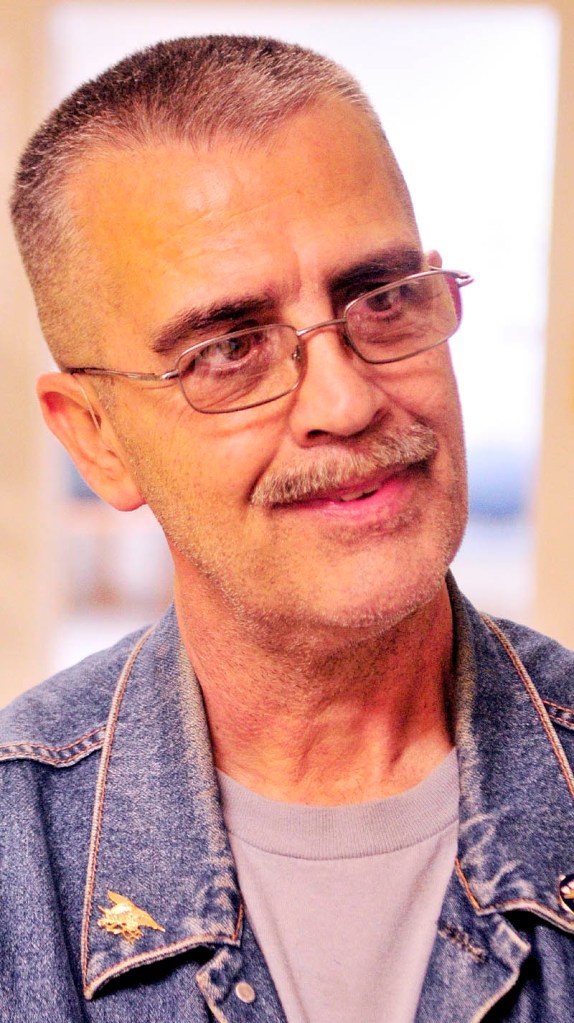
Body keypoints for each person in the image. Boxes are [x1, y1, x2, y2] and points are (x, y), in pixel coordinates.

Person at [2, 33, 573, 1023]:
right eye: (229, 350)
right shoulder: (20, 859)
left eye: (382, 298)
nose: (346, 403)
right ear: (97, 442)